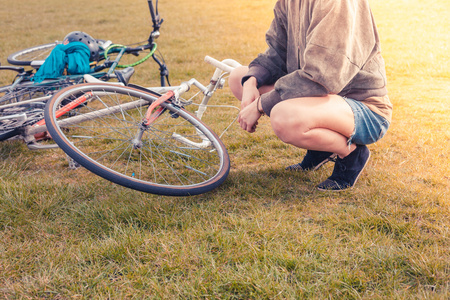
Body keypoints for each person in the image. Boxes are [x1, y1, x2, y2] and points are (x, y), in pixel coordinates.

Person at [229, 0, 393, 191]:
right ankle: (322, 149)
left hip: (365, 108)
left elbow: (321, 78)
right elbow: (276, 53)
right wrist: (251, 82)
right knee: (239, 77)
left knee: (284, 116)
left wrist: (260, 104)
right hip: (324, 96)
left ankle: (350, 153)